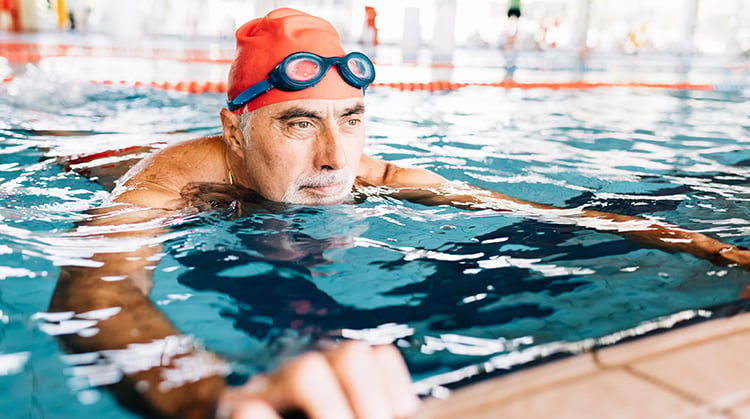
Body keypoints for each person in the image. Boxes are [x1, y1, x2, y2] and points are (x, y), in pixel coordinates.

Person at [48, 7, 750, 419]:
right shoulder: (174, 176)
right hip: (132, 170)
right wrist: (215, 397)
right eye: (298, 124)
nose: (334, 157)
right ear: (236, 131)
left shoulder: (378, 172)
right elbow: (96, 287)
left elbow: (525, 209)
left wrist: (692, 242)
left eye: (350, 120)